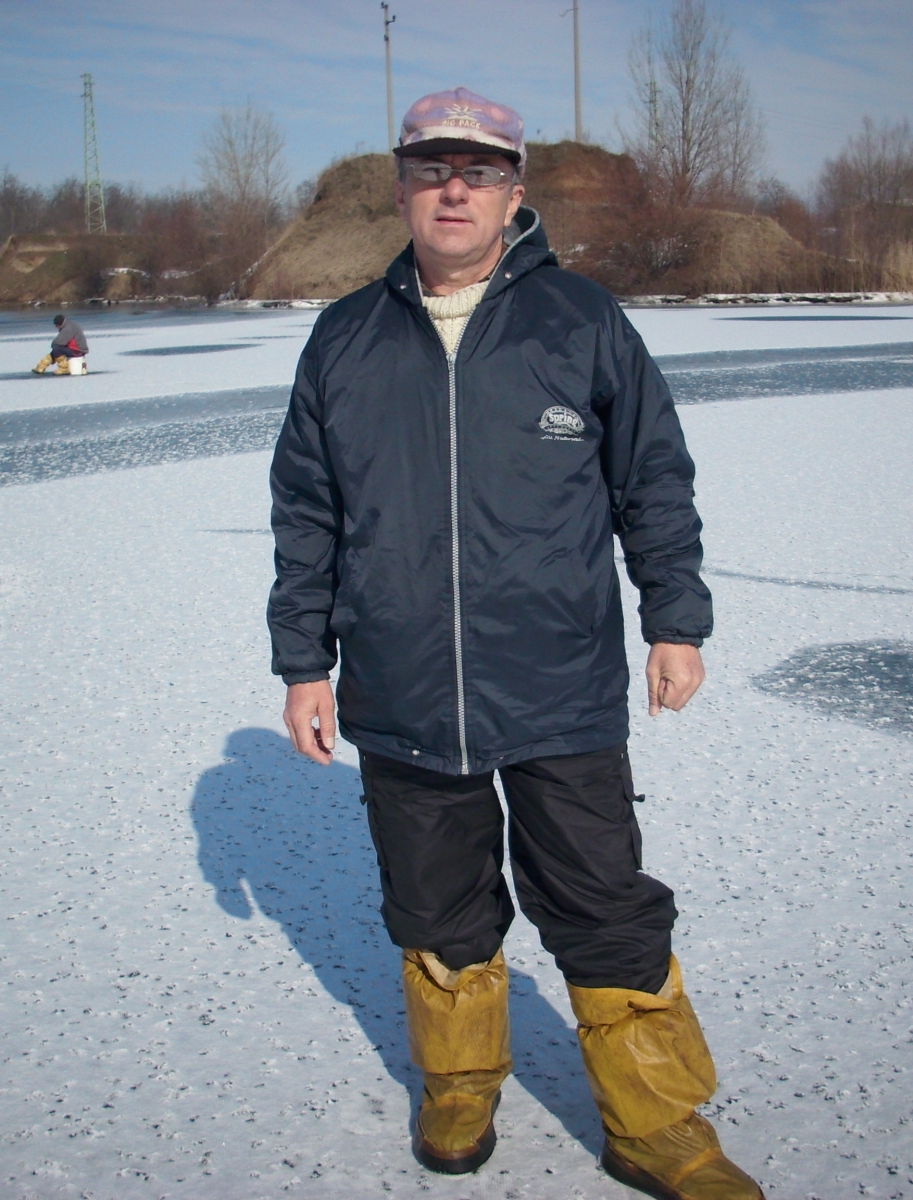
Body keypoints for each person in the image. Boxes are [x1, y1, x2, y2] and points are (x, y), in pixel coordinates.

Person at [266, 87, 763, 1200]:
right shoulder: (344, 337)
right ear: (401, 187)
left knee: (603, 903)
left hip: (557, 683)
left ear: (513, 193)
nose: (455, 190)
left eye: (479, 171)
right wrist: (304, 662)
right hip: (401, 687)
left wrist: (674, 621)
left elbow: (652, 479)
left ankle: (656, 1124)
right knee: (435, 906)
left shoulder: (579, 320)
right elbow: (307, 513)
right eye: (432, 169)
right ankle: (459, 1081)